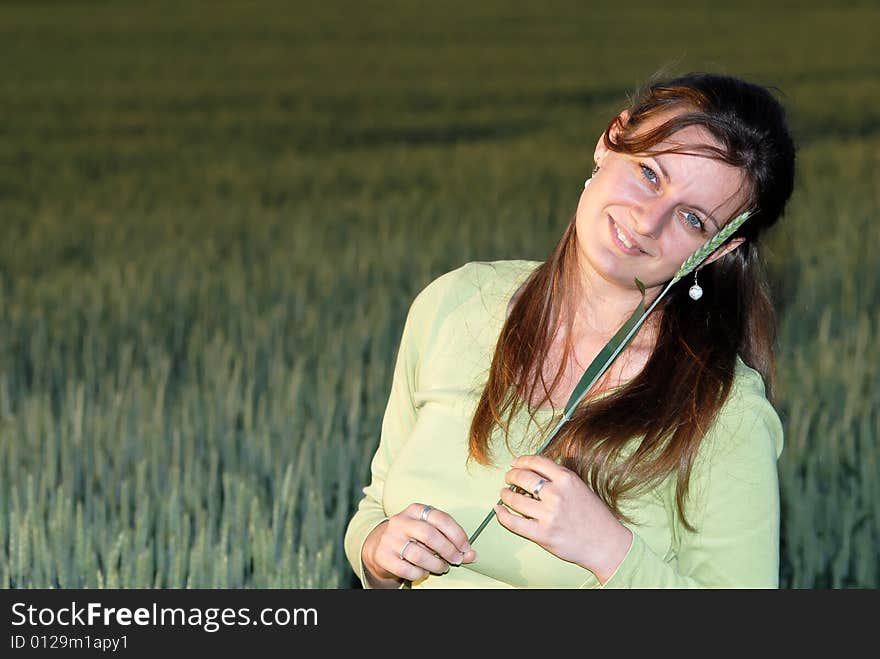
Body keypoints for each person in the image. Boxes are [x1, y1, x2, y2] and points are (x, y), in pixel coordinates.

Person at [344, 71, 796, 588]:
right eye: (650, 173)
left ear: (716, 252)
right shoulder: (455, 304)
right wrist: (380, 554)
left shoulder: (722, 410)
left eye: (692, 219)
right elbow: (376, 509)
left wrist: (610, 551)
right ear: (610, 139)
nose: (648, 221)